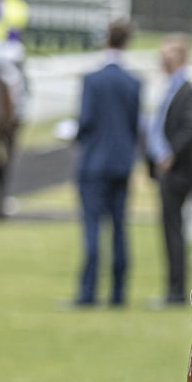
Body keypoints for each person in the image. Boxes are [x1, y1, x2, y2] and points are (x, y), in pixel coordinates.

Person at [71, 19, 141, 307]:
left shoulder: (92, 80)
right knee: (119, 229)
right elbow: (135, 125)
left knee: (92, 230)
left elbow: (85, 121)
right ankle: (118, 293)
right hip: (121, 163)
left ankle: (88, 292)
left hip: (93, 164)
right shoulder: (134, 82)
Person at [146, 34, 192, 305]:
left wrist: (171, 154)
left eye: (167, 53)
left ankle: (175, 292)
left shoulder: (186, 89)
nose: (162, 57)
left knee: (173, 230)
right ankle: (173, 290)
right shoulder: (171, 87)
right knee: (170, 229)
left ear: (180, 56)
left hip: (178, 172)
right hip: (168, 171)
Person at [0, 0, 30, 122]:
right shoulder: (18, 5)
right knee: (17, 80)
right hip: (7, 50)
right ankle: (18, 112)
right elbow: (17, 31)